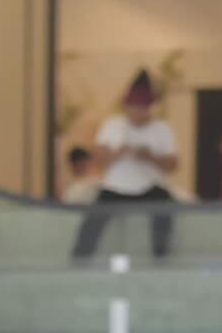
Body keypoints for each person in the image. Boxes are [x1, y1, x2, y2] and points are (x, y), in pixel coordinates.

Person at [71, 70, 180, 262]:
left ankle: (162, 260)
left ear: (150, 107)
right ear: (127, 106)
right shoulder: (112, 125)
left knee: (166, 208)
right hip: (115, 189)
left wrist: (150, 157)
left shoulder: (162, 129)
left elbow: (172, 166)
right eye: (134, 107)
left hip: (149, 189)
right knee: (92, 220)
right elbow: (98, 159)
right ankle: (78, 262)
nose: (138, 112)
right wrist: (116, 154)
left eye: (142, 107)